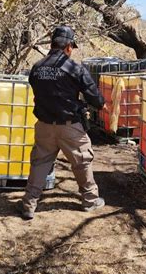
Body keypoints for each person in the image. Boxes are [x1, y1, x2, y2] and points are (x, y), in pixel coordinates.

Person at [19, 26, 105, 220]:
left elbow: (36, 89)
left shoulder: (37, 67)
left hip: (44, 126)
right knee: (82, 161)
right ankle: (90, 200)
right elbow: (93, 95)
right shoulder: (74, 68)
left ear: (52, 44)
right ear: (68, 47)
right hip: (70, 127)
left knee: (40, 164)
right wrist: (102, 105)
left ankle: (29, 205)